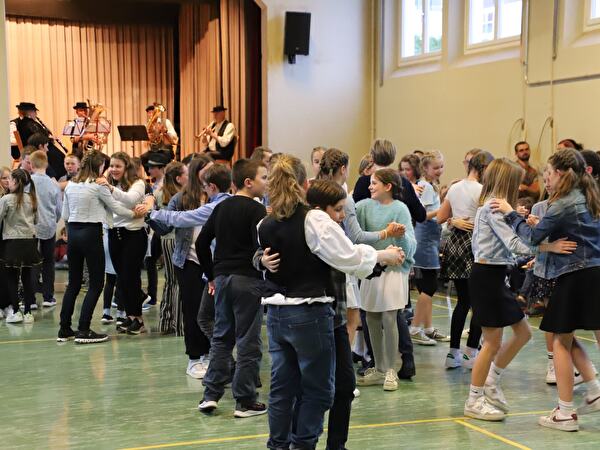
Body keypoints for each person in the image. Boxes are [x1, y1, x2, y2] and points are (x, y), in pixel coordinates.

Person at [256, 158, 404, 450]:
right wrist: (381, 256)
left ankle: (278, 445)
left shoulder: (266, 223)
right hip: (309, 313)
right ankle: (302, 445)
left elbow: (265, 257)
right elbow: (347, 257)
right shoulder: (313, 220)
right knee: (319, 391)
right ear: (305, 185)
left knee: (283, 389)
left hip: (277, 314)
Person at [494, 148, 600, 431]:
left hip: (576, 276)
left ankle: (566, 412)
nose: (546, 180)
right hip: (591, 273)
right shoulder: (588, 196)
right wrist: (541, 224)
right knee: (566, 336)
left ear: (563, 174)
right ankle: (593, 389)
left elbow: (529, 240)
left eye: (549, 174)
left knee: (559, 341)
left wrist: (509, 213)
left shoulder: (564, 203)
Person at [463, 158, 534, 421]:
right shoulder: (493, 207)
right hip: (486, 277)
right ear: (508, 182)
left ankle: (492, 380)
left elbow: (506, 248)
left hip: (495, 274)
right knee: (492, 342)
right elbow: (514, 243)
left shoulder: (497, 208)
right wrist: (543, 248)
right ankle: (474, 398)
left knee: (523, 332)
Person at [196, 159, 267, 417]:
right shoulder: (257, 211)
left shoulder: (221, 207)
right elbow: (262, 246)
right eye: (264, 177)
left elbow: (203, 242)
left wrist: (212, 274)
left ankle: (210, 395)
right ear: (248, 182)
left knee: (222, 339)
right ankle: (245, 400)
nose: (267, 182)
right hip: (247, 280)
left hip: (223, 279)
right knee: (248, 341)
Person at [148, 157, 229, 378]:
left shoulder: (221, 198)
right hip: (189, 261)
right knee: (192, 311)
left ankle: (215, 354)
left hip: (214, 263)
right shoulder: (181, 198)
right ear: (197, 173)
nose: (211, 172)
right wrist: (148, 213)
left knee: (215, 312)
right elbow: (165, 228)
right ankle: (195, 358)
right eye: (206, 169)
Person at [58, 150, 137, 343]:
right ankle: (84, 329)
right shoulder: (98, 186)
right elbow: (116, 208)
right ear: (99, 166)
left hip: (74, 234)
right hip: (91, 234)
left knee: (74, 283)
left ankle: (64, 329)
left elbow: (65, 214)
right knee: (96, 283)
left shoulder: (71, 185)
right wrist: (135, 214)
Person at [356, 168, 417, 391]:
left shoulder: (400, 209)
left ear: (388, 186)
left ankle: (391, 369)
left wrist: (401, 237)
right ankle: (379, 367)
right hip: (372, 268)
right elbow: (356, 234)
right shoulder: (362, 207)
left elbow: (411, 245)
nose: (370, 186)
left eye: (374, 183)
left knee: (390, 318)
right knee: (370, 316)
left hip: (393, 269)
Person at [437, 150, 494, 369]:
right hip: (475, 246)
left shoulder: (454, 187)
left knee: (463, 300)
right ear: (484, 168)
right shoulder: (482, 191)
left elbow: (441, 218)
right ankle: (471, 350)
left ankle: (453, 353)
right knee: (479, 302)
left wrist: (454, 220)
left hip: (455, 246)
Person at [99, 152, 152, 335]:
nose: (113, 169)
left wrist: (111, 190)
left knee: (131, 277)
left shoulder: (138, 183)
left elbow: (129, 199)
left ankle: (139, 319)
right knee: (122, 279)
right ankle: (130, 316)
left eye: (118, 166)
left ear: (126, 167)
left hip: (134, 235)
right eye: (111, 166)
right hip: (114, 233)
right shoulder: (109, 183)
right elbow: (111, 208)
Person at [408, 151, 449, 345]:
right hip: (424, 242)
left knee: (429, 286)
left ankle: (428, 327)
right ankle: (415, 328)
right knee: (429, 286)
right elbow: (422, 214)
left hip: (431, 240)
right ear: (425, 169)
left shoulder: (432, 186)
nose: (440, 170)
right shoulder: (424, 186)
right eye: (435, 167)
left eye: (441, 166)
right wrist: (444, 211)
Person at [0, 169, 41, 324]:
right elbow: (37, 220)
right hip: (30, 241)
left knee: (12, 278)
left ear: (16, 182)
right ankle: (28, 312)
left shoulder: (6, 199)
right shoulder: (32, 198)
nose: (7, 182)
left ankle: (16, 311)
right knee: (27, 277)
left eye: (9, 180)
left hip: (12, 242)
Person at [154, 161, 187, 335]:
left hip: (165, 240)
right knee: (179, 282)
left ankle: (165, 322)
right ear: (179, 178)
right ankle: (180, 325)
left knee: (170, 281)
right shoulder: (180, 196)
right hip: (175, 239)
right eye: (187, 174)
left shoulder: (159, 192)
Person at [29, 150, 62, 308]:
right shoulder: (54, 184)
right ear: (46, 164)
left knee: (32, 261)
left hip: (31, 226)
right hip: (49, 226)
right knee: (49, 262)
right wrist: (53, 220)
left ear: (31, 164)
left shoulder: (27, 182)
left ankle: (31, 299)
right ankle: (48, 297)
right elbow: (58, 209)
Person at [17, 103, 67, 180]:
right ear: (30, 112)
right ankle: (58, 178)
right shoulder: (31, 123)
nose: (36, 114)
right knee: (60, 157)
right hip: (37, 147)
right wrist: (50, 138)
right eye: (35, 112)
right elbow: (40, 137)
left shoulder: (21, 122)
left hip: (31, 147)